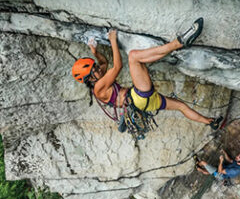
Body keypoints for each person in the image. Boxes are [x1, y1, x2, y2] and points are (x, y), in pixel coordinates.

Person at [71, 18, 222, 131]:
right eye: (94, 71)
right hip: (138, 98)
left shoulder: (99, 80)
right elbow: (117, 66)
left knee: (181, 106)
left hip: (146, 104)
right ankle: (179, 43)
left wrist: (96, 52)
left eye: (95, 67)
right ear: (90, 79)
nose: (98, 70)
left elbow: (104, 64)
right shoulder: (98, 88)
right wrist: (113, 41)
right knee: (134, 57)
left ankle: (210, 122)